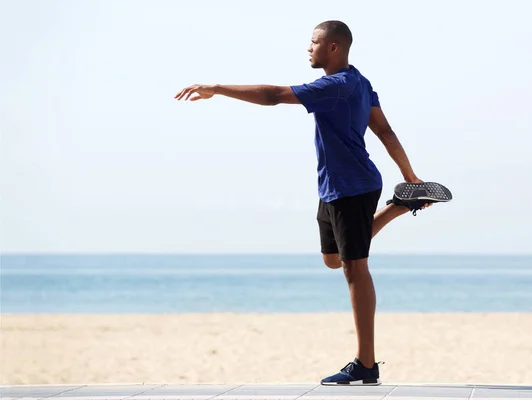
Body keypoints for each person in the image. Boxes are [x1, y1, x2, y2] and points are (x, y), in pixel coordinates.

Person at [174, 20, 450, 385]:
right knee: (334, 260)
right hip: (334, 186)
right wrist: (410, 175)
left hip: (353, 185)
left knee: (355, 267)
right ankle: (399, 205)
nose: (309, 48)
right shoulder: (360, 81)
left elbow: (273, 96)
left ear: (333, 47)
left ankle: (366, 364)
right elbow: (383, 130)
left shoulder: (337, 85)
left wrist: (218, 88)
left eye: (314, 42)